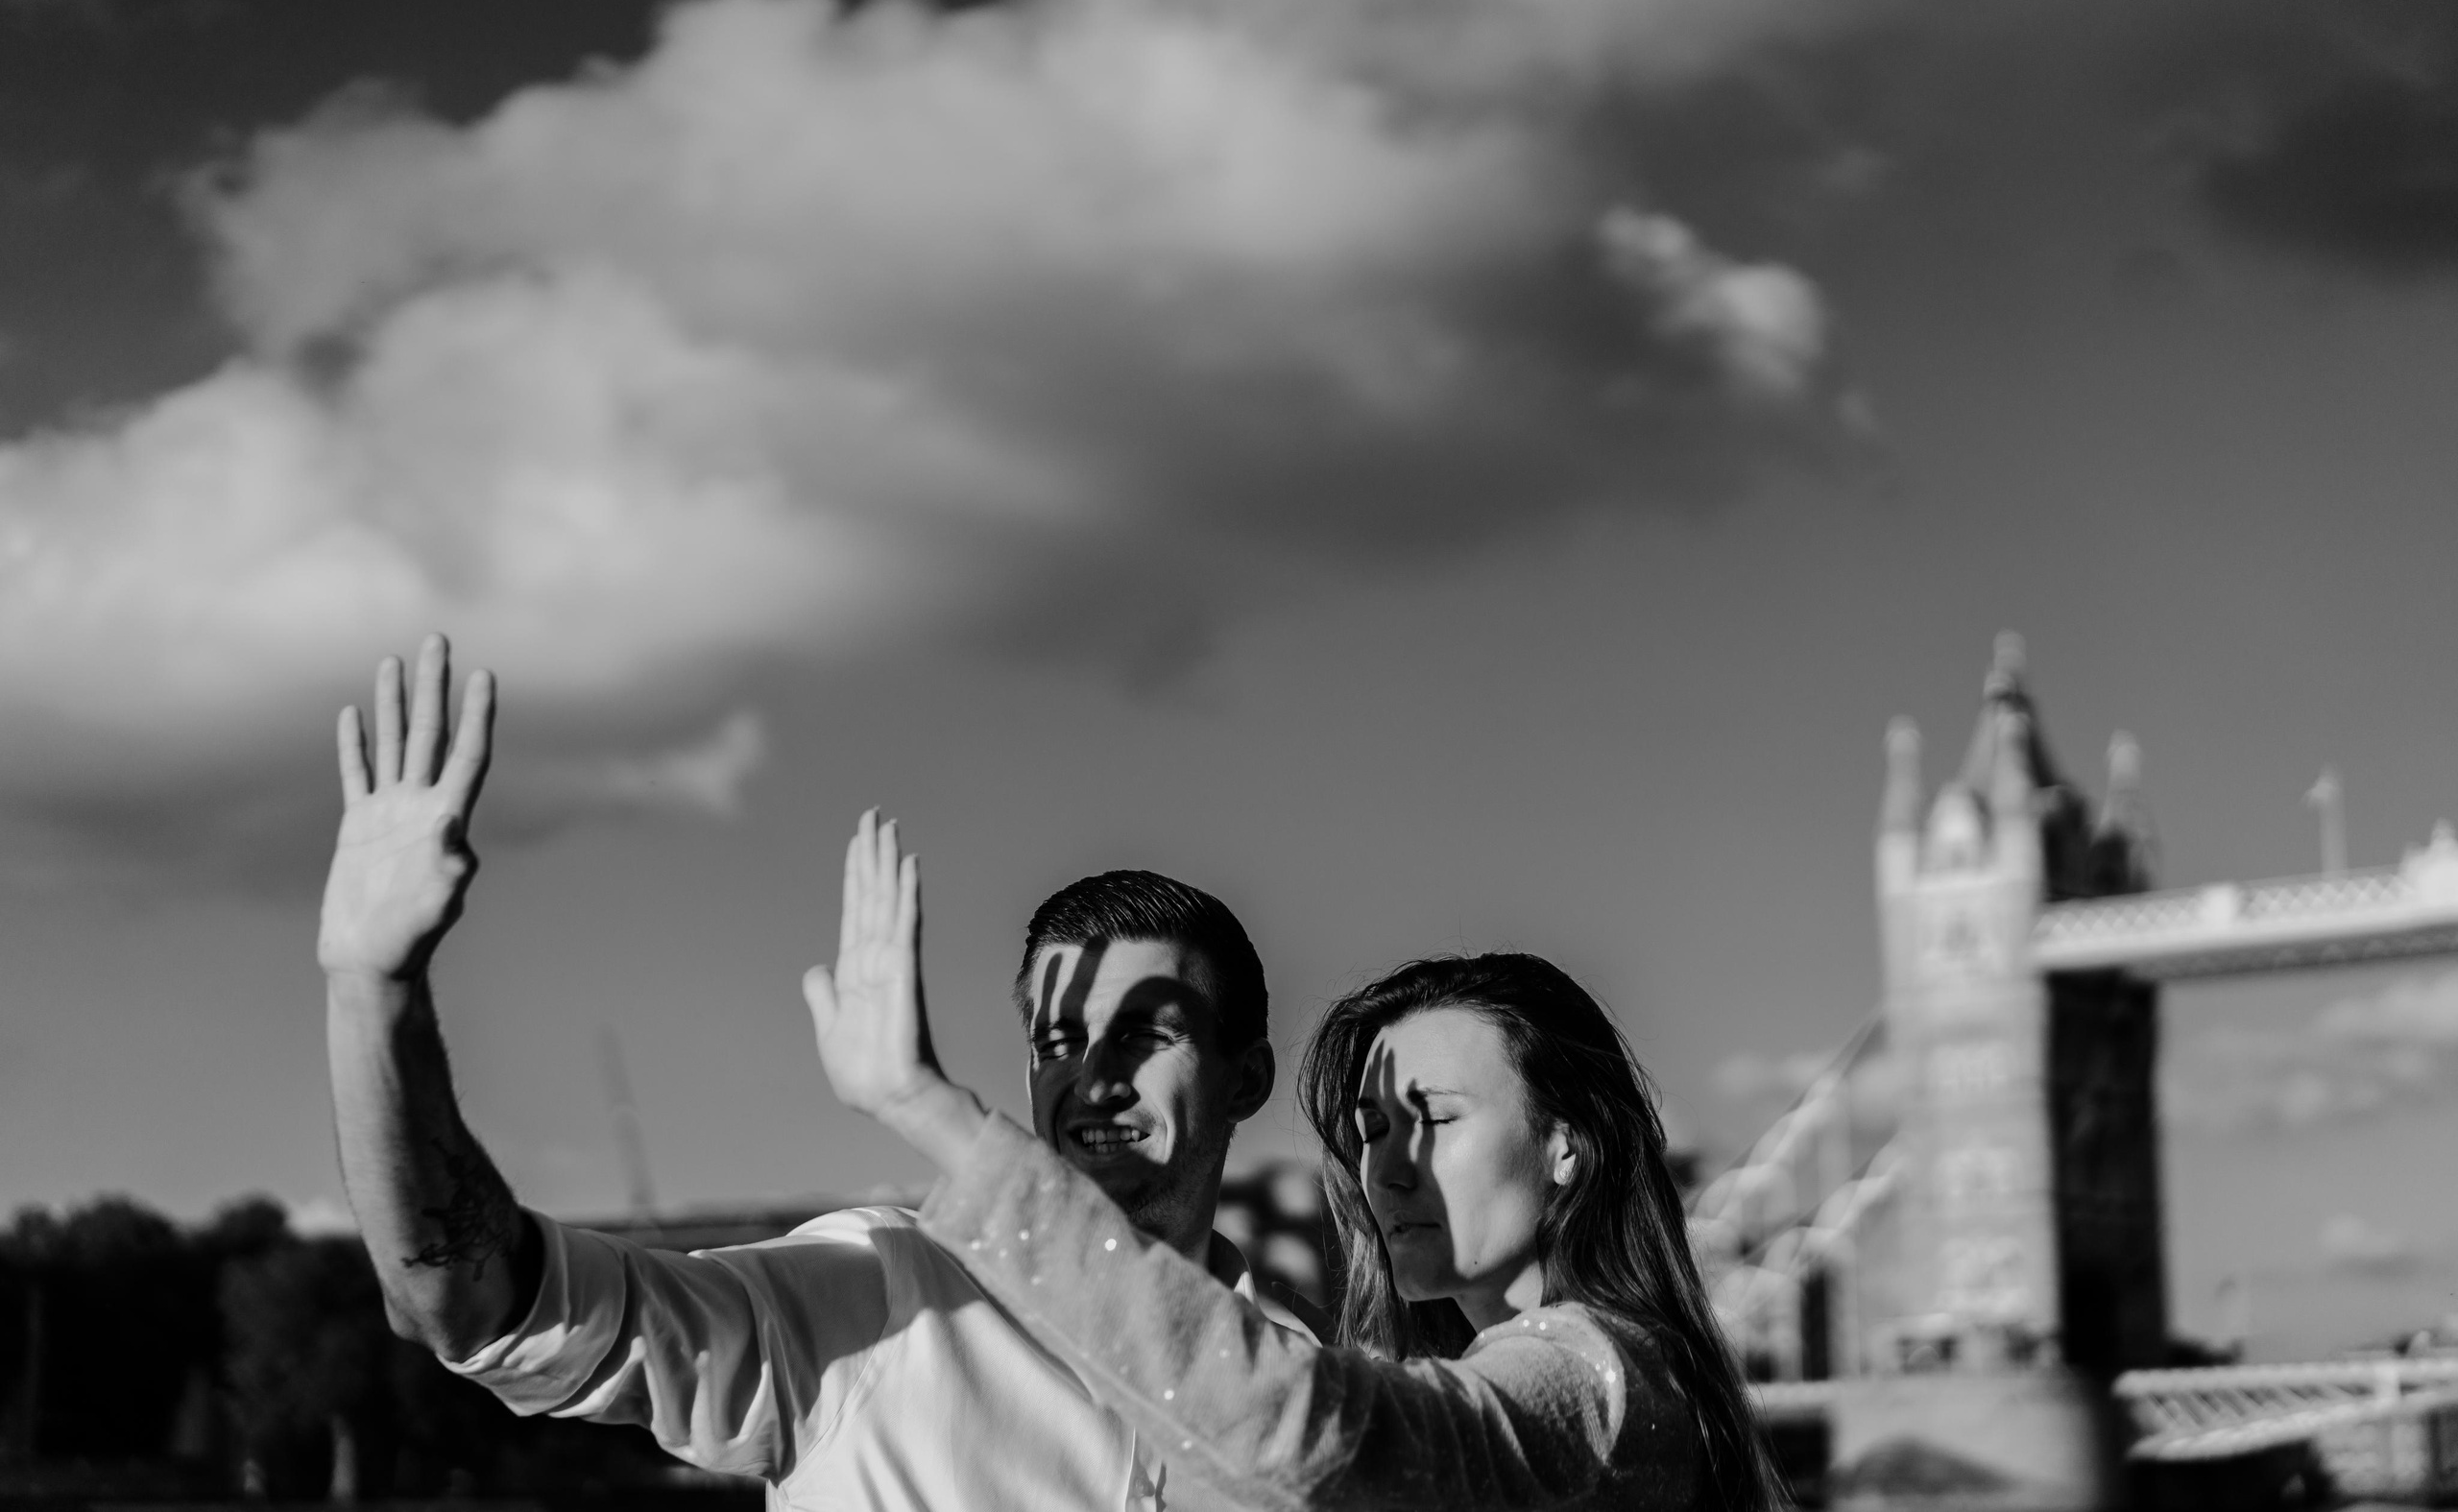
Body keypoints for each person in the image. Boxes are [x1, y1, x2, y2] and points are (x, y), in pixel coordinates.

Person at [316, 636, 1311, 1512]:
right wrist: (374, 990)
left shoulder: (1317, 1392)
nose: (1092, 1075)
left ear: (1246, 1076)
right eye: (1058, 1041)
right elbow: (474, 1303)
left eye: (1146, 1032)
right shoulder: (875, 1294)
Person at [814, 814, 1779, 1510]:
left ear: (1568, 1144)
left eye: (1435, 1116)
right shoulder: (1510, 1378)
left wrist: (929, 1110)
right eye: (1369, 1126)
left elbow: (1303, 1430)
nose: (1388, 1166)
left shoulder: (1592, 1381)